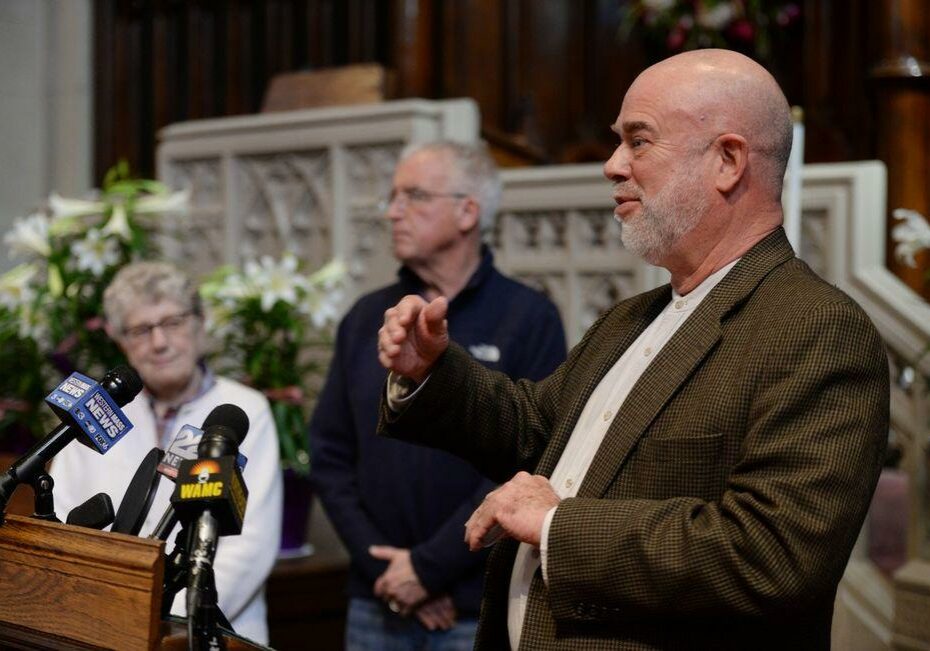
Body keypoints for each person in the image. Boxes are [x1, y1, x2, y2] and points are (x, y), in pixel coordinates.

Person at [376, 50, 889, 650]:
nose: (612, 165)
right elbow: (535, 427)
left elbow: (772, 556)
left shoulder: (815, 327)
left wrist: (555, 524)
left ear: (727, 161)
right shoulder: (632, 317)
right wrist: (433, 371)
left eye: (638, 142)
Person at [309, 140, 566, 650]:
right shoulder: (368, 317)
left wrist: (428, 570)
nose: (392, 212)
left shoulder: (529, 317)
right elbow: (330, 455)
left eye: (414, 196)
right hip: (375, 596)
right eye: (393, 196)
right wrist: (386, 567)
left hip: (474, 603)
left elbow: (533, 455)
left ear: (468, 211)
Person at [51, 261, 283, 645]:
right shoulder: (100, 409)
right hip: (95, 627)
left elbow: (249, 546)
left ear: (199, 322)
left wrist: (160, 622)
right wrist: (102, 614)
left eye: (172, 322)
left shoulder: (244, 410)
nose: (159, 342)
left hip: (206, 631)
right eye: (141, 330)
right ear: (118, 339)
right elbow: (60, 516)